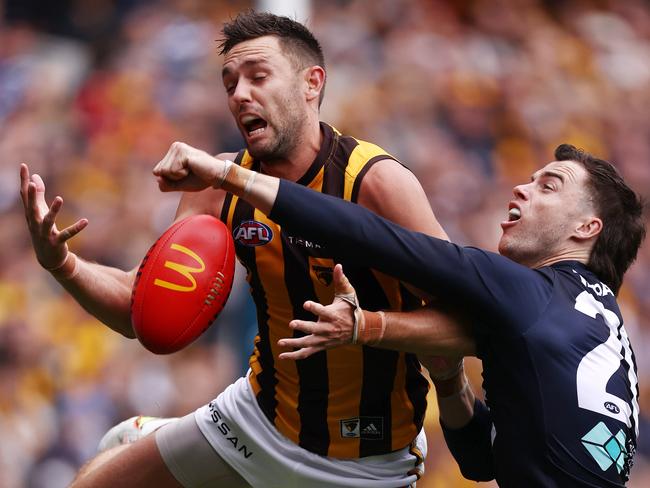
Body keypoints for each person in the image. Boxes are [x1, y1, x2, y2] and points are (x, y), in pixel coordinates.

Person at [20, 10, 462, 488]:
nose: (240, 94)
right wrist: (61, 263)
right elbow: (138, 308)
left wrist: (364, 327)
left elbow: (464, 325)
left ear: (311, 83)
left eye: (258, 77)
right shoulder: (218, 183)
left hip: (368, 456)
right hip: (255, 420)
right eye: (229, 83)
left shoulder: (375, 182)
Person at [151, 142, 645, 487]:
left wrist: (229, 176)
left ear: (587, 228)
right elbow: (482, 460)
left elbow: (376, 238)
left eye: (549, 186)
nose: (521, 188)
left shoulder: (530, 294)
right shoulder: (602, 323)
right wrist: (449, 378)